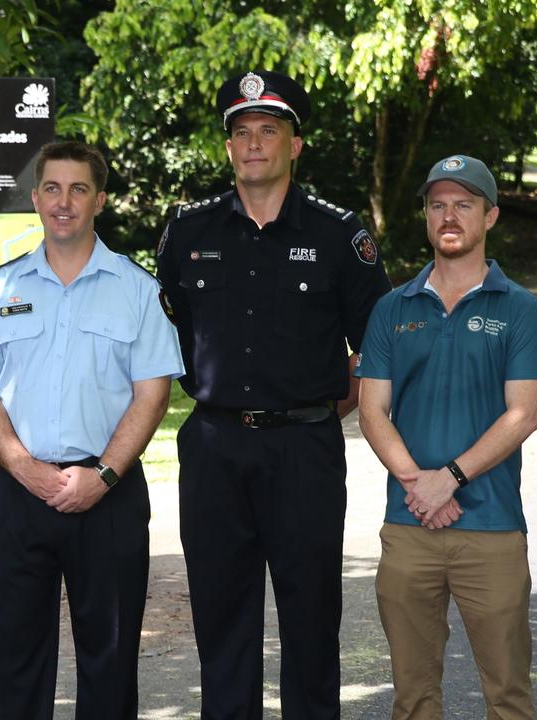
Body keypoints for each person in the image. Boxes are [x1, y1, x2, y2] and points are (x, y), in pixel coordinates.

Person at [156, 70, 392, 718]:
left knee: (312, 625)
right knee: (222, 626)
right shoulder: (186, 233)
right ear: (228, 147)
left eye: (269, 129)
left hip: (304, 449)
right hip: (213, 449)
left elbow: (379, 347)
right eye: (241, 132)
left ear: (296, 144)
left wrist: (318, 407)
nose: (254, 142)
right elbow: (164, 333)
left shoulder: (339, 235)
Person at [0, 141, 183, 720]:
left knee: (109, 659)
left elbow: (152, 392)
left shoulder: (136, 288)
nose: (64, 202)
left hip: (109, 492)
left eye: (79, 189)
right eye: (52, 188)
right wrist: (25, 469)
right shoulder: (0, 288)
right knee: (16, 659)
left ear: (99, 199)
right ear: (34, 198)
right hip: (18, 492)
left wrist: (102, 475)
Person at [356, 156, 537, 719]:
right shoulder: (391, 308)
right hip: (409, 525)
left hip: (490, 527)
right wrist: (420, 485)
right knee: (413, 698)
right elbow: (373, 411)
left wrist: (451, 478)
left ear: (490, 216)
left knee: (509, 697)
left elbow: (523, 414)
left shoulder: (517, 308)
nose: (449, 216)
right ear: (424, 216)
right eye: (438, 204)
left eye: (464, 204)